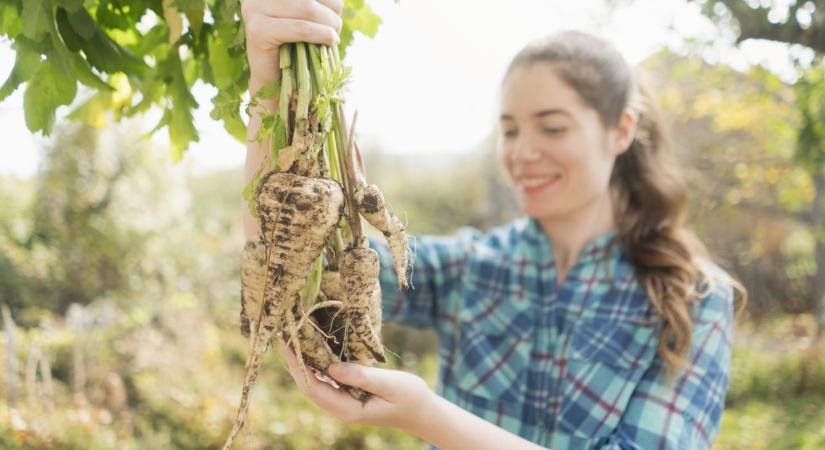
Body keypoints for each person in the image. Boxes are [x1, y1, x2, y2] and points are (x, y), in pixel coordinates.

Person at [239, 1, 746, 449]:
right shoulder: (472, 266)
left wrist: (428, 418)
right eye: (509, 130)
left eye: (552, 126)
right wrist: (267, 75)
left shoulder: (694, 297)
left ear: (621, 131)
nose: (523, 152)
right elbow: (288, 260)